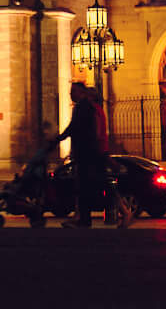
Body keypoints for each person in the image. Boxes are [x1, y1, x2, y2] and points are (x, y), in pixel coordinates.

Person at [57, 79, 123, 228]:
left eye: (73, 92)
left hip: (89, 153)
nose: (70, 95)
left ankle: (121, 212)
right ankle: (83, 218)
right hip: (92, 153)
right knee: (91, 186)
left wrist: (58, 139)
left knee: (93, 186)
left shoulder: (85, 108)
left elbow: (77, 129)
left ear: (83, 93)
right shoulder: (90, 108)